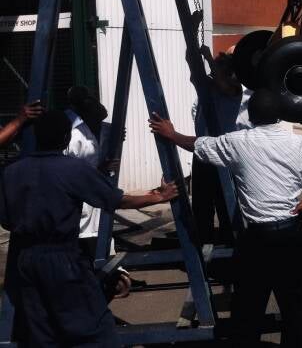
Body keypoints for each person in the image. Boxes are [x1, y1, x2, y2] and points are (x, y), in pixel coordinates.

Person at [149, 89, 302, 347]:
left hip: (257, 239)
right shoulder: (300, 144)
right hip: (291, 235)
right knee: (293, 310)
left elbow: (199, 144)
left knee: (248, 312)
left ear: (252, 116)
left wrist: (171, 134)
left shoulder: (238, 142)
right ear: (280, 115)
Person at [0, 110, 177, 347]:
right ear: (66, 138)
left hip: (25, 259)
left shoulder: (12, 172)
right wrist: (158, 196)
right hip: (63, 258)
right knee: (93, 327)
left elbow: (6, 221)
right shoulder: (72, 169)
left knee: (42, 332)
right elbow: (117, 201)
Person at [192, 50, 246, 244]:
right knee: (201, 204)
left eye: (219, 68)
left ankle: (230, 242)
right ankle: (203, 243)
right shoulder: (208, 87)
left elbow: (224, 84)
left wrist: (208, 58)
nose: (214, 72)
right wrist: (192, 42)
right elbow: (193, 71)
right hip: (202, 151)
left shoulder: (234, 88)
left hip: (223, 152)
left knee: (226, 200)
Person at [65, 86, 110, 257]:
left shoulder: (91, 126)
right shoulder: (74, 133)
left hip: (90, 198)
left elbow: (103, 116)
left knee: (92, 238)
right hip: (78, 201)